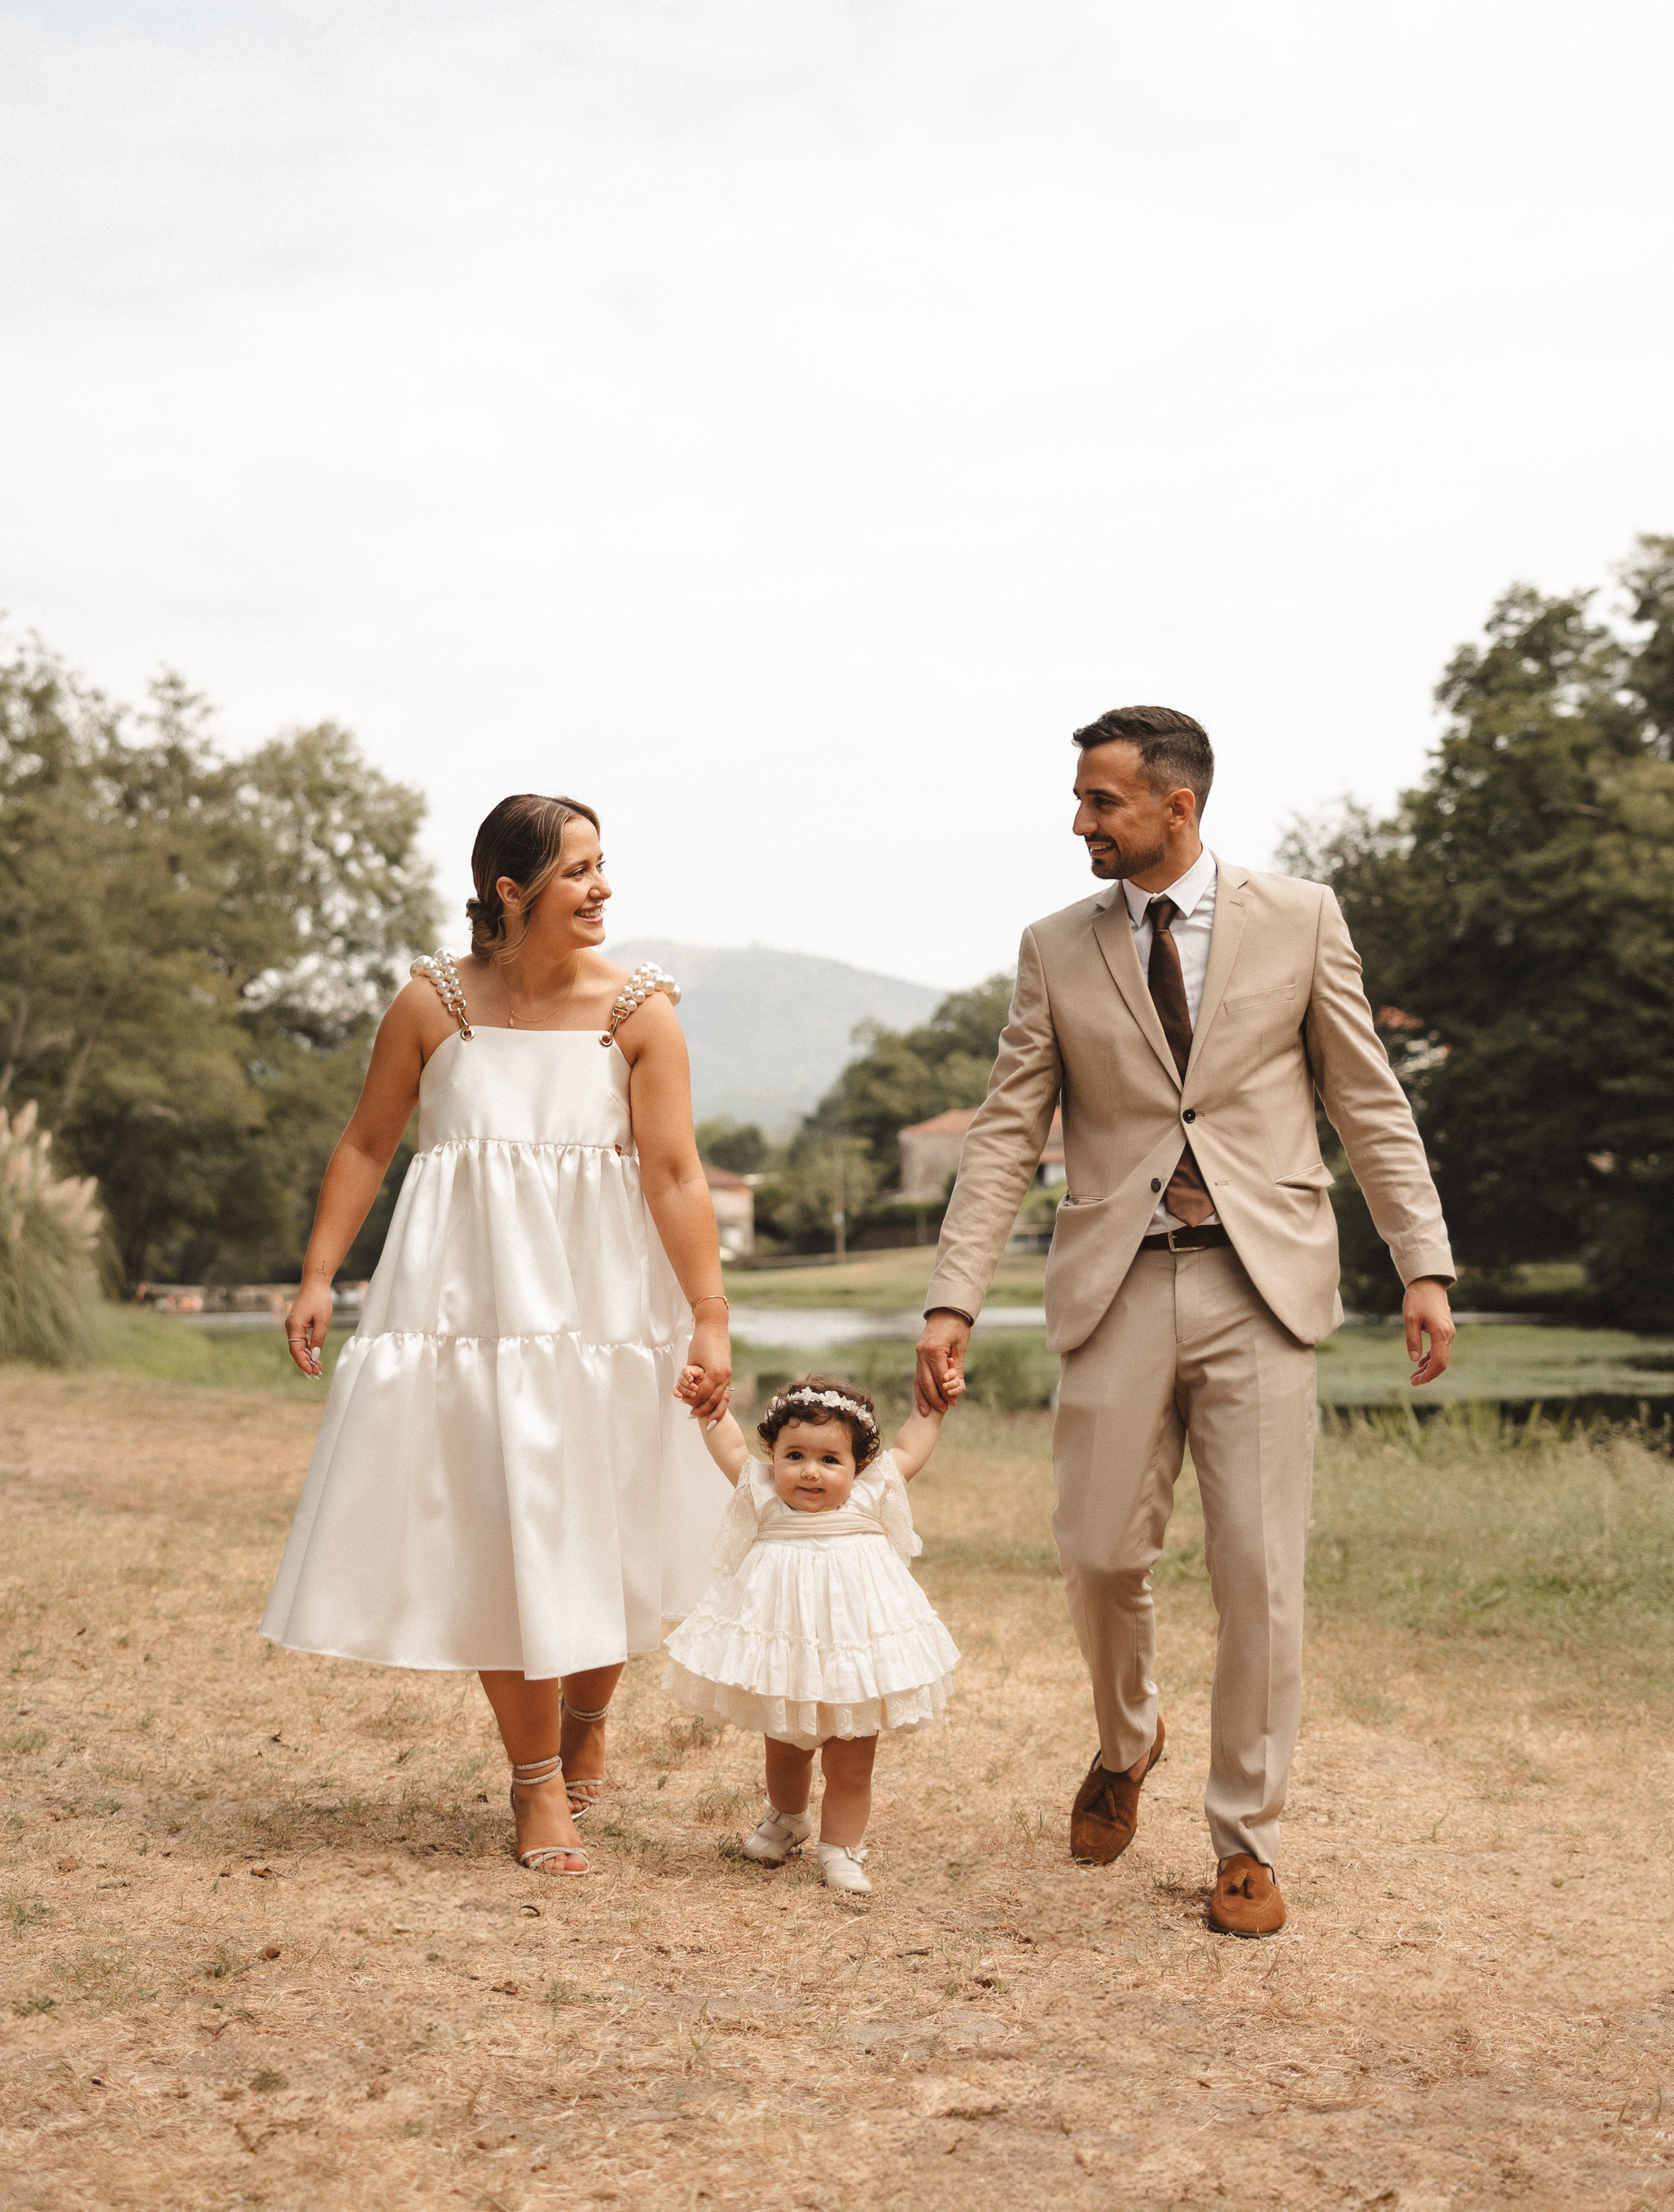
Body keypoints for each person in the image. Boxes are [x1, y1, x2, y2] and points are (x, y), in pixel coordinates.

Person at [915, 706, 1455, 1938]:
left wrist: (1423, 1261)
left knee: (1260, 1573)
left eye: (1101, 801)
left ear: (1178, 807)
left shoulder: (1301, 917)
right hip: (1115, 1277)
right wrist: (955, 1294)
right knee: (1101, 1554)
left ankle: (1247, 1840)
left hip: (1260, 1283)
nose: (1079, 821)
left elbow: (1368, 1099)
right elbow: (1007, 1135)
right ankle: (1128, 1737)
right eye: (1080, 798)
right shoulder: (1055, 947)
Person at [262, 792, 733, 1877]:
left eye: (605, 865)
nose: (604, 887)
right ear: (512, 892)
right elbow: (369, 1143)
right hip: (467, 1312)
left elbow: (674, 1173)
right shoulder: (433, 1004)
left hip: (606, 1307)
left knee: (611, 1525)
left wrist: (707, 1315)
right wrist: (321, 1274)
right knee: (504, 1530)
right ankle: (535, 1789)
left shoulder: (642, 1011)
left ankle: (588, 1714)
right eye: (579, 870)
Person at [661, 1374, 961, 1895]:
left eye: (830, 1461)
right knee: (785, 1742)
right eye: (794, 1456)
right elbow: (729, 1443)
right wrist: (708, 1404)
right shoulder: (763, 1493)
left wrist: (934, 1407)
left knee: (850, 1754)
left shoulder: (869, 1497)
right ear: (772, 1456)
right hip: (790, 1652)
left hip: (852, 1654)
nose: (810, 1473)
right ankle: (787, 1816)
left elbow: (912, 1447)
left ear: (858, 1466)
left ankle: (841, 1850)